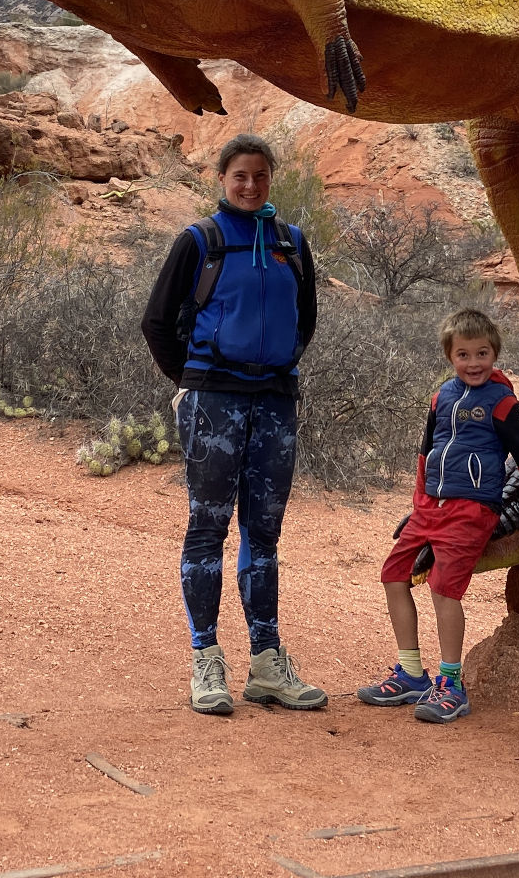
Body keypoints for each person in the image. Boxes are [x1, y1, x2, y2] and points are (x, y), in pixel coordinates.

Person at [141, 133, 327, 716]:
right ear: (222, 179)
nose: (251, 186)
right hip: (213, 400)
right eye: (240, 176)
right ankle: (205, 660)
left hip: (273, 400)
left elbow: (306, 321)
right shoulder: (201, 241)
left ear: (272, 179)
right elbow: (156, 322)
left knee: (264, 534)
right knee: (207, 527)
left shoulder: (292, 244)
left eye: (261, 176)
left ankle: (268, 664)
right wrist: (191, 380)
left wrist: (278, 367)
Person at [356, 308, 519, 723]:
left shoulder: (503, 403)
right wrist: (419, 504)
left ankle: (451, 684)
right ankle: (410, 673)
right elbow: (426, 455)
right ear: (450, 356)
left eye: (482, 353)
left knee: (444, 589)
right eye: (464, 354)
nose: (474, 363)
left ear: (494, 354)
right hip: (431, 508)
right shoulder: (441, 396)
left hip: (472, 510)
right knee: (394, 575)